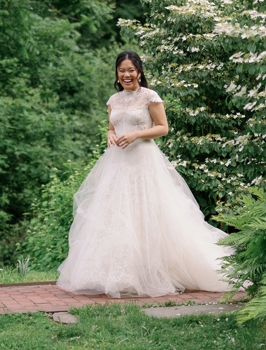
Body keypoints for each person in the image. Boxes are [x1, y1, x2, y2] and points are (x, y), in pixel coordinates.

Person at [57, 51, 233, 298]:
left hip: (144, 161)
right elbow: (112, 126)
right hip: (117, 164)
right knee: (117, 215)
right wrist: (110, 134)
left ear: (139, 71)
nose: (126, 75)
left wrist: (136, 134)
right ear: (117, 74)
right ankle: (120, 274)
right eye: (121, 70)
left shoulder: (150, 97)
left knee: (147, 212)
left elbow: (163, 128)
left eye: (130, 70)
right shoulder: (113, 99)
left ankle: (153, 271)